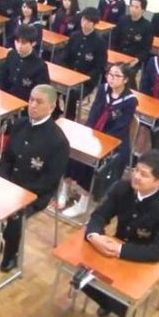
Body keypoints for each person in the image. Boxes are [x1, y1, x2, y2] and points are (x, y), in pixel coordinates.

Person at [0, 85, 69, 272]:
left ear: (52, 106)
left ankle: (11, 254)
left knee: (15, 216)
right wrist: (4, 180)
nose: (33, 105)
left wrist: (20, 193)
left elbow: (49, 180)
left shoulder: (58, 141)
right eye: (31, 100)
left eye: (39, 102)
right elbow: (6, 158)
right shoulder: (20, 124)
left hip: (34, 192)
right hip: (9, 182)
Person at [80, 149, 159, 317]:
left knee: (119, 290)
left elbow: (158, 251)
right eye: (136, 170)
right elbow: (99, 215)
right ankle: (112, 303)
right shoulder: (122, 188)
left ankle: (121, 308)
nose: (136, 176)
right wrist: (94, 236)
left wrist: (120, 249)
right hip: (111, 250)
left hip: (141, 259)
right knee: (79, 275)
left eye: (144, 174)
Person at [60, 63, 137, 218]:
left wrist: (100, 141)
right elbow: (93, 113)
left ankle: (83, 202)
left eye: (116, 76)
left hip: (114, 141)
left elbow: (120, 126)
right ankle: (64, 190)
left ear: (125, 79)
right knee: (73, 150)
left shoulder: (130, 101)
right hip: (94, 132)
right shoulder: (103, 89)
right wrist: (88, 134)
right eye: (110, 74)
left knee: (93, 161)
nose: (111, 78)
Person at [0, 24, 50, 151]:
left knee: (15, 127)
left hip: (23, 109)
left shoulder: (40, 66)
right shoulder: (11, 55)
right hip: (4, 101)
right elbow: (0, 76)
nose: (19, 46)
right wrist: (1, 93)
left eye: (24, 43)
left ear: (33, 43)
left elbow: (41, 95)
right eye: (17, 42)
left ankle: (6, 152)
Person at [61, 7, 107, 121]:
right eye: (83, 19)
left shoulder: (99, 42)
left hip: (86, 81)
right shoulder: (74, 36)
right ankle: (56, 111)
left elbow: (99, 66)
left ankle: (69, 119)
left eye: (88, 21)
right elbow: (65, 56)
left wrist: (85, 79)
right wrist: (64, 71)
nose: (84, 22)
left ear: (94, 23)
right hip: (69, 76)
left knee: (72, 94)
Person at [110, 0, 153, 88]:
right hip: (118, 55)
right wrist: (113, 53)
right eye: (131, 6)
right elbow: (114, 38)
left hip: (133, 59)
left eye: (136, 7)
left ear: (143, 10)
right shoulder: (123, 20)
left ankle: (131, 91)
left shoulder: (147, 26)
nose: (133, 9)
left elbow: (146, 49)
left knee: (128, 74)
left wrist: (137, 59)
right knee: (109, 71)